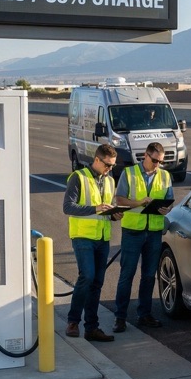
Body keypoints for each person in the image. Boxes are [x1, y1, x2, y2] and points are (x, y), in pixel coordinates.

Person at [63, 144, 123, 342]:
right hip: (83, 236)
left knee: (97, 283)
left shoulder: (109, 180)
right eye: (107, 165)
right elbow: (68, 207)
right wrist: (95, 209)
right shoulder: (78, 177)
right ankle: (73, 321)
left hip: (102, 238)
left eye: (112, 166)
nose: (109, 169)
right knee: (87, 277)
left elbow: (106, 208)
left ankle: (92, 328)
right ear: (97, 160)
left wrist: (115, 214)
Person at [112, 142, 174, 333]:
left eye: (160, 162)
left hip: (154, 232)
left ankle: (144, 314)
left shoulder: (165, 176)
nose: (157, 164)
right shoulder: (129, 173)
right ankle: (120, 318)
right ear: (145, 156)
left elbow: (169, 199)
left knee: (148, 276)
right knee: (127, 275)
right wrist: (139, 202)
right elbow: (119, 199)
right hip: (133, 231)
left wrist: (166, 208)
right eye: (154, 160)